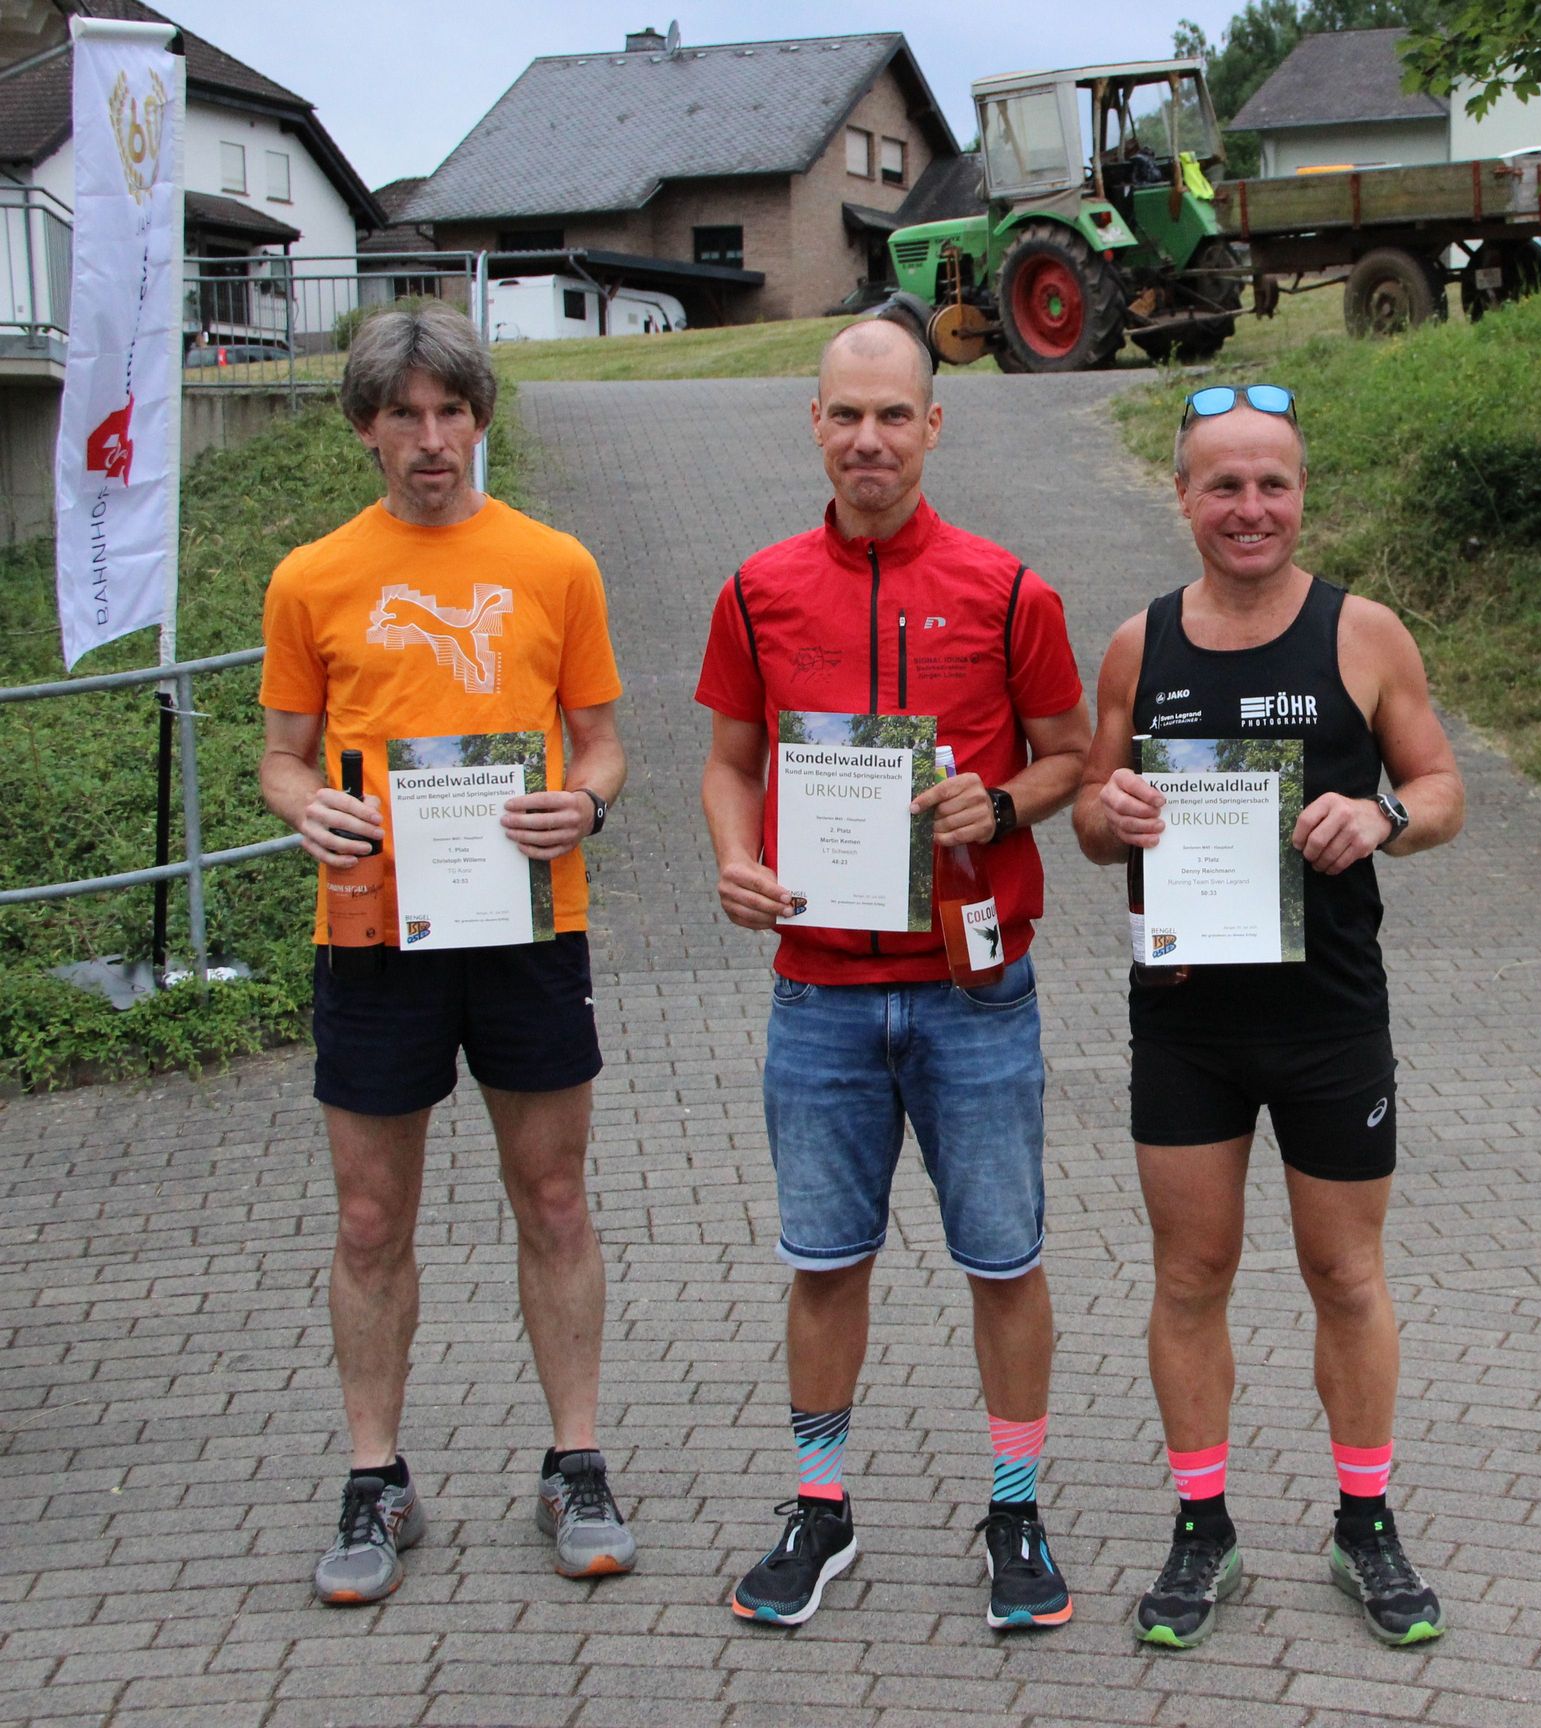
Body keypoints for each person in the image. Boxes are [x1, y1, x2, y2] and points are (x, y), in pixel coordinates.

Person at [695, 318, 1092, 1632]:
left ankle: (1015, 1508)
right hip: (820, 992)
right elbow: (730, 765)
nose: (870, 438)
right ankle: (820, 1507)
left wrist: (1005, 802)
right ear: (814, 423)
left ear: (934, 425)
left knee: (1003, 1260)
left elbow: (1070, 752)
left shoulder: (1012, 590)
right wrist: (734, 858)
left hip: (974, 989)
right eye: (847, 414)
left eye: (894, 415)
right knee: (824, 1261)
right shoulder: (756, 589)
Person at [1074, 382, 1467, 1649]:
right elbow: (1089, 815)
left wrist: (1383, 815)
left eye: (1273, 484)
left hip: (1329, 1017)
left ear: (1303, 495)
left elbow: (1442, 786)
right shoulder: (1138, 645)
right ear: (1183, 496)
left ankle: (1365, 1524)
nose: (1250, 508)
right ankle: (1203, 1529)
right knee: (1191, 1274)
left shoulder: (1365, 634)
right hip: (1186, 1021)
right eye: (1224, 485)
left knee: (1345, 1274)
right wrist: (1111, 814)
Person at [258, 302, 633, 1605]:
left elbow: (602, 742)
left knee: (556, 1199)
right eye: (404, 415)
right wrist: (305, 807)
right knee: (370, 1219)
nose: (431, 438)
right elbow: (281, 755)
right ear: (366, 428)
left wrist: (585, 804)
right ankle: (376, 1478)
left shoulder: (555, 564)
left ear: (480, 419)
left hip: (527, 924)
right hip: (373, 929)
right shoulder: (311, 577)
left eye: (452, 411)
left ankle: (577, 1461)